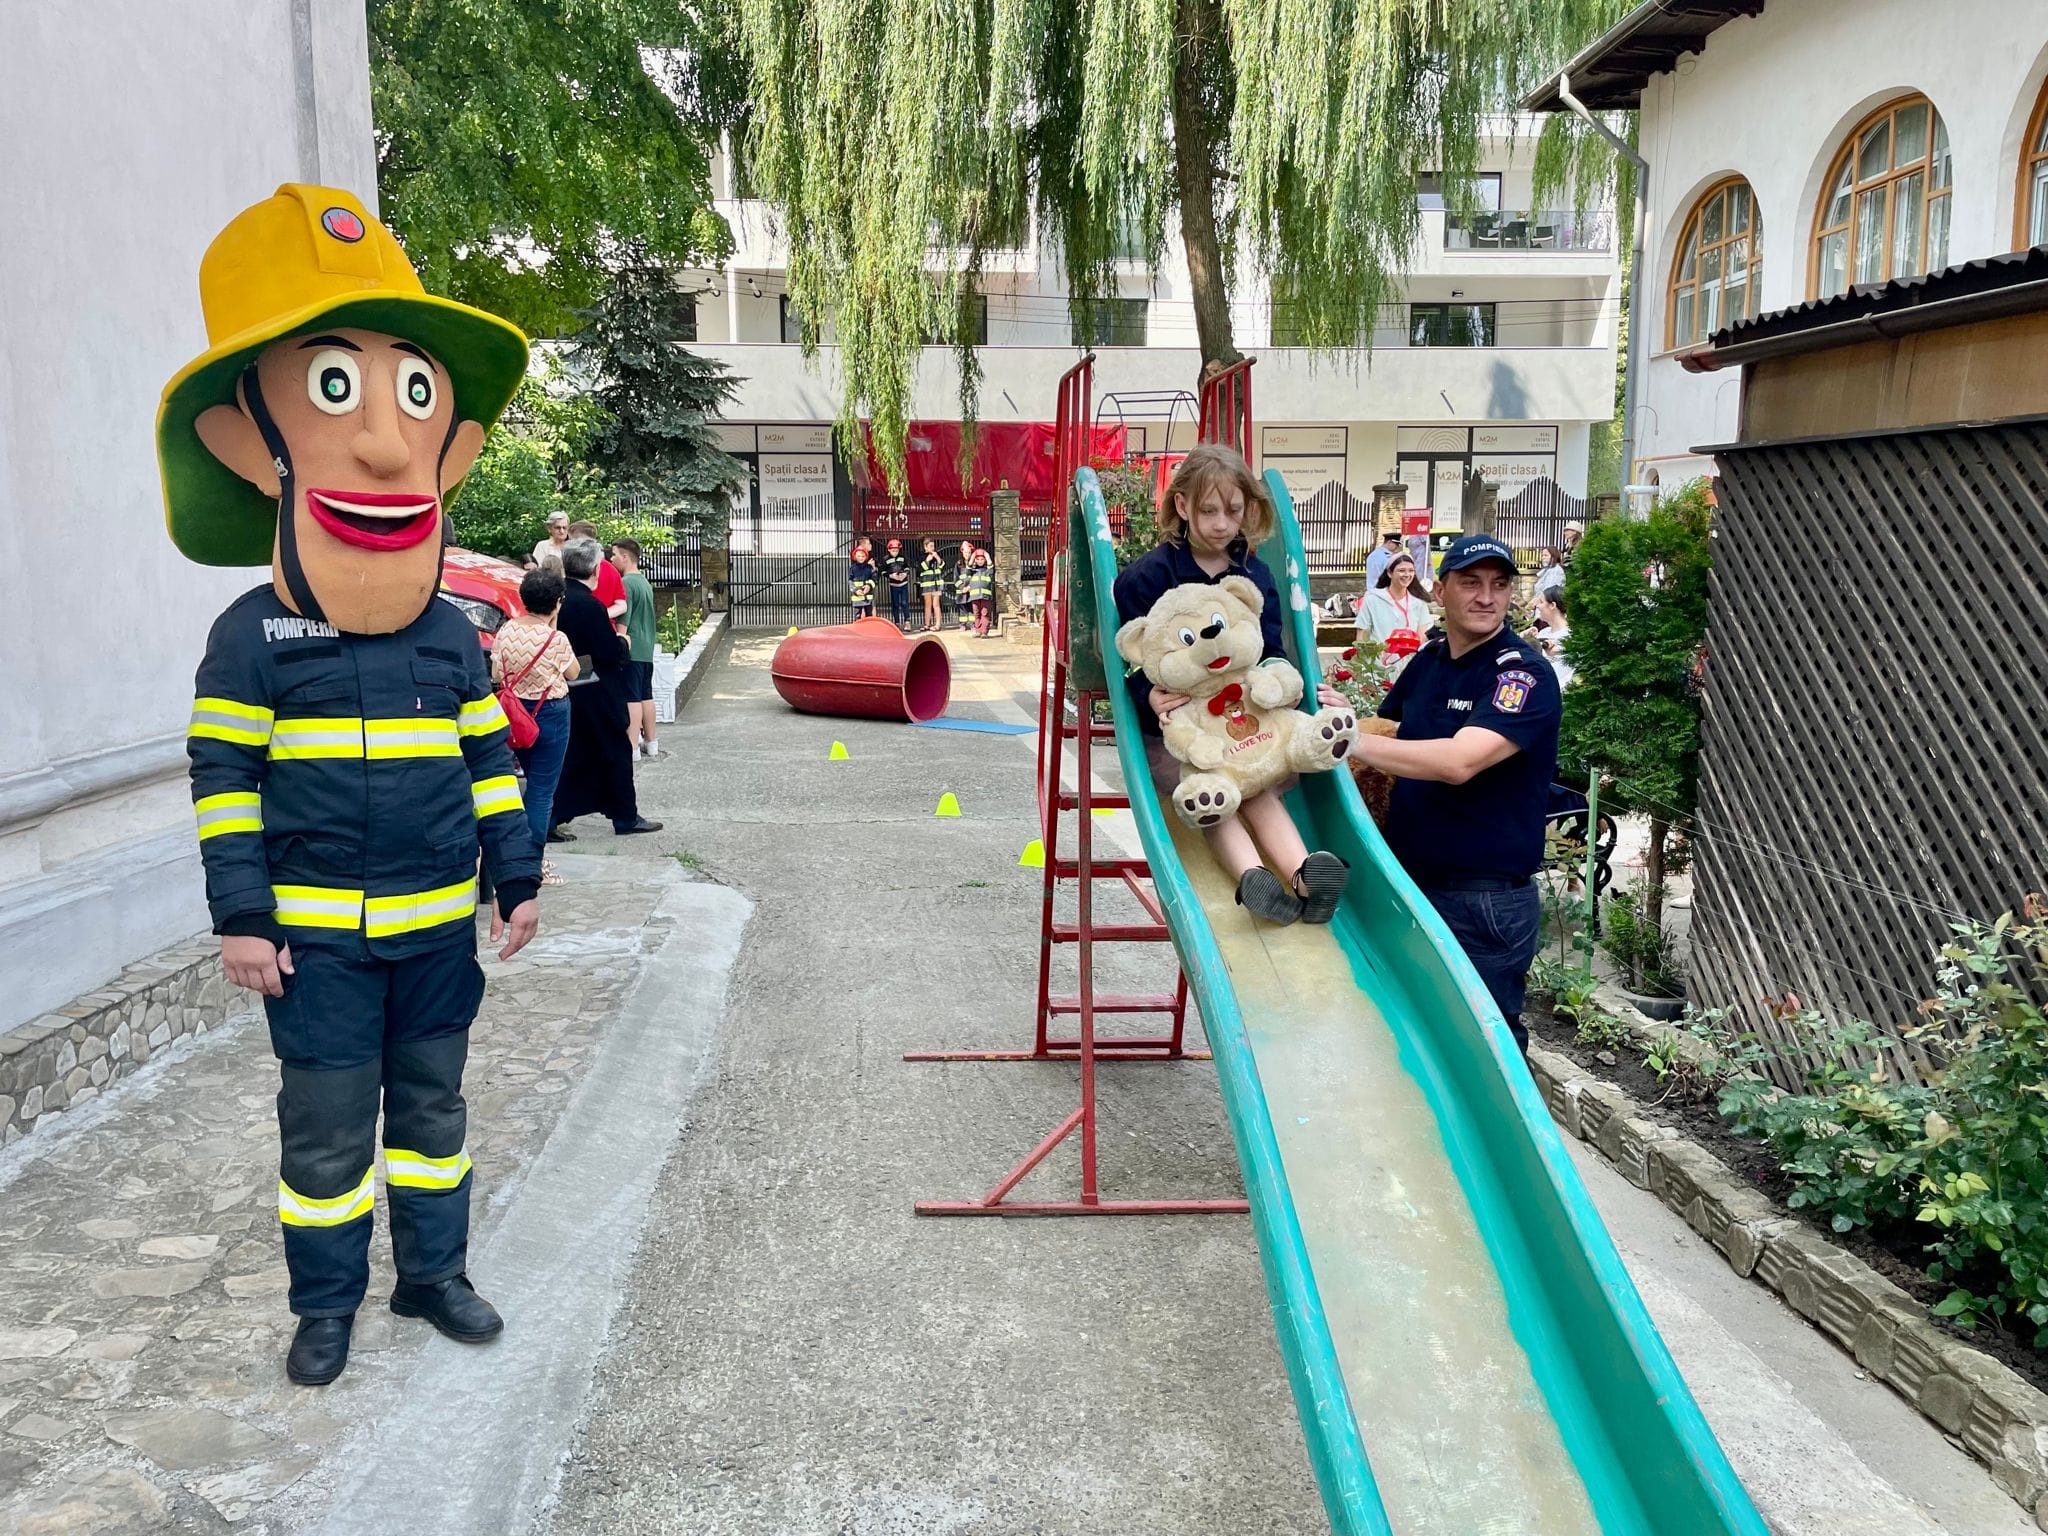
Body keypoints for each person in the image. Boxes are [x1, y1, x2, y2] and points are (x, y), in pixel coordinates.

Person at [168, 185, 541, 1387]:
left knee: (432, 1123)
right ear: (255, 450)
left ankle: (432, 1277)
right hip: (316, 951)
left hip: (435, 936)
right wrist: (240, 918)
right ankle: (324, 1306)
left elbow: (488, 763)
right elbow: (223, 780)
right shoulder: (249, 636)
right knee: (325, 1141)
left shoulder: (446, 633)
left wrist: (517, 877)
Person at [1113, 443, 1350, 925]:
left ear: (1248, 509)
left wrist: (1277, 683)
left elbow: (1271, 648)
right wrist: (1148, 696)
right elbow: (1131, 659)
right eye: (1209, 511)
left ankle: (1305, 878)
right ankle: (1255, 876)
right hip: (1186, 726)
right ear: (1182, 506)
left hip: (1246, 719)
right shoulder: (1148, 577)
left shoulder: (1253, 575)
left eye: (1233, 511)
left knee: (1255, 784)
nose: (1222, 524)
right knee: (1213, 792)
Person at [1349, 534, 1562, 1054]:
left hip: (1483, 902)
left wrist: (1347, 741)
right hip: (1411, 883)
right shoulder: (1430, 661)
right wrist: (1337, 714)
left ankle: (1513, 1115)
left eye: (1499, 584)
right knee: (1416, 1041)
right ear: (1440, 592)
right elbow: (1388, 731)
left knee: (1483, 1051)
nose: (1487, 597)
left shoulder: (1522, 674)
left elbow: (1458, 762)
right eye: (1471, 583)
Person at [551, 538, 662, 838]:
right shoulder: (590, 606)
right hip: (597, 689)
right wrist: (623, 643)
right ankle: (625, 816)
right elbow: (608, 652)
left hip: (568, 687)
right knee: (615, 750)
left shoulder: (560, 599)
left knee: (575, 754)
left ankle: (556, 814)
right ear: (595, 570)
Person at [491, 569, 580, 867]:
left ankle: (516, 854)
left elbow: (497, 674)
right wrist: (554, 624)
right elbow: (573, 673)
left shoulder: (506, 630)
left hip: (514, 712)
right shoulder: (556, 639)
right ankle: (532, 862)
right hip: (550, 713)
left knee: (525, 781)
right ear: (557, 602)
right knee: (541, 791)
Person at [611, 538, 660, 758]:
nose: (611, 559)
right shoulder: (644, 582)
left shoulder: (626, 583)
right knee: (645, 694)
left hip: (632, 647)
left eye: (614, 555)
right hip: (646, 647)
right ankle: (651, 741)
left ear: (625, 557)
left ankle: (631, 747)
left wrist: (619, 644)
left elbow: (624, 619)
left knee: (631, 697)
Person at [1355, 549, 1432, 675]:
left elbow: (1422, 638)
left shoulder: (1418, 603)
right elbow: (1362, 636)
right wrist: (1364, 668)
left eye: (1411, 571)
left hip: (1409, 667)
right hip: (1379, 668)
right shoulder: (1373, 599)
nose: (1407, 575)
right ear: (1390, 573)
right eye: (1401, 570)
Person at [568, 520, 628, 624]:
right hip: (605, 626)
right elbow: (622, 605)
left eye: (571, 541)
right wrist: (601, 614)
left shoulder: (572, 568)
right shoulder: (611, 569)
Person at [1535, 585, 1573, 687]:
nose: (1537, 606)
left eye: (1541, 602)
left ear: (1552, 605)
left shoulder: (1570, 635)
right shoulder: (1543, 633)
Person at [880, 536, 913, 628]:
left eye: (897, 550)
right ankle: (897, 622)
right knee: (895, 604)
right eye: (893, 550)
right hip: (893, 585)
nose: (895, 552)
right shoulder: (885, 559)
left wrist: (905, 574)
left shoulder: (903, 557)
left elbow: (907, 567)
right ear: (889, 550)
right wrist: (890, 575)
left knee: (904, 603)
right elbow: (882, 571)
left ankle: (907, 622)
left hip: (903, 584)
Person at [918, 538, 945, 632]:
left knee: (936, 604)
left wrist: (937, 557)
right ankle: (927, 624)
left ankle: (938, 625)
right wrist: (927, 560)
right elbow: (921, 568)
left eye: (933, 546)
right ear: (925, 547)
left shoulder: (937, 555)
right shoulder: (921, 557)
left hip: (936, 584)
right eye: (930, 546)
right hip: (926, 584)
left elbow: (942, 565)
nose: (932, 548)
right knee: (927, 605)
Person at [968, 546, 996, 636]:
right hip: (975, 597)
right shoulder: (972, 571)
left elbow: (991, 565)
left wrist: (986, 555)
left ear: (985, 560)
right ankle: (978, 631)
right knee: (976, 614)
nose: (980, 561)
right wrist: (973, 555)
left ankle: (984, 632)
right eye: (978, 559)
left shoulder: (987, 571)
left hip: (985, 596)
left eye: (982, 559)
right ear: (975, 560)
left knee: (985, 613)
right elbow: (968, 566)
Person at [848, 539, 878, 618]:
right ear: (855, 556)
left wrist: (869, 586)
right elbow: (850, 580)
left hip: (868, 596)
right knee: (857, 616)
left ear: (866, 556)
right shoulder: (852, 568)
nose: (861, 558)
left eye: (863, 556)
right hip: (857, 597)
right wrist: (855, 589)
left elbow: (874, 579)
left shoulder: (869, 567)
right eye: (858, 556)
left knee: (869, 616)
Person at [954, 540, 977, 629]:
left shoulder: (974, 564)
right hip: (961, 592)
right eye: (966, 552)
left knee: (971, 608)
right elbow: (956, 578)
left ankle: (972, 624)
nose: (967, 554)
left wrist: (970, 587)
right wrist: (962, 587)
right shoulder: (958, 564)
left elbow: (975, 576)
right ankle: (962, 624)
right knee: (962, 609)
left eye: (969, 552)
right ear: (962, 552)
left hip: (971, 590)